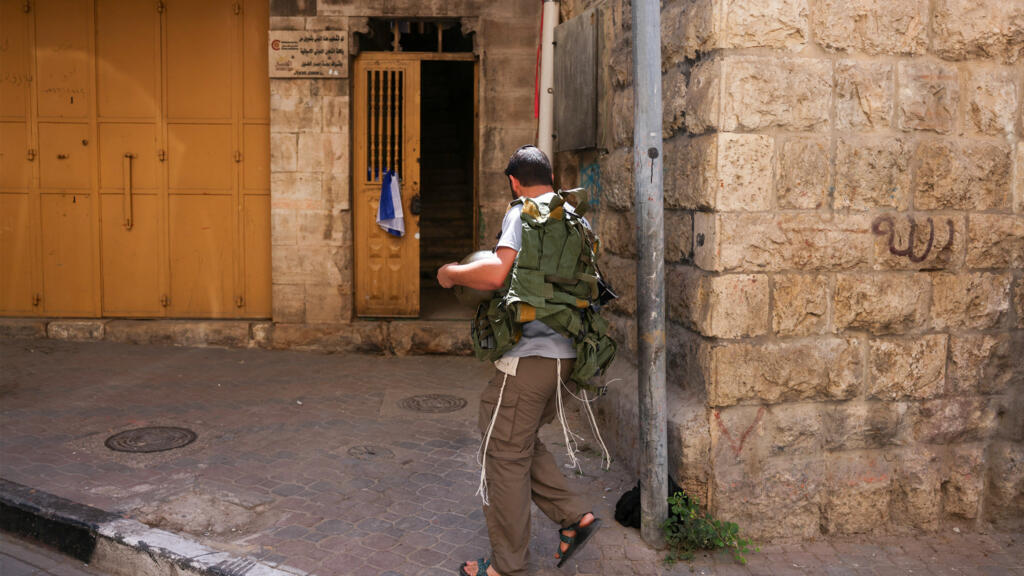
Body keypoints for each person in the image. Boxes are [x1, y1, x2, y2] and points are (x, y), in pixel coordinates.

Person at [437, 146, 601, 576]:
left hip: (529, 359)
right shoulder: (576, 218)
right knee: (518, 442)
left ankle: (506, 567)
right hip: (567, 358)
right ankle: (573, 517)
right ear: (550, 176)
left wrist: (451, 273)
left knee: (502, 450)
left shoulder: (522, 213)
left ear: (514, 181)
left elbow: (495, 274)